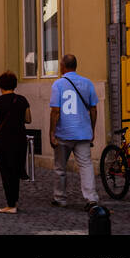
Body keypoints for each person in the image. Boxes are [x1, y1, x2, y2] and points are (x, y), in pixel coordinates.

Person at [49, 52, 99, 208]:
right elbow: (93, 109)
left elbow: (55, 110)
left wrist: (52, 132)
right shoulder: (88, 83)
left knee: (60, 167)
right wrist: (92, 129)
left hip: (64, 132)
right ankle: (91, 198)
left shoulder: (58, 84)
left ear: (63, 67)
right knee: (86, 165)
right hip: (83, 132)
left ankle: (60, 198)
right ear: (75, 66)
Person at [0, 71, 31, 214]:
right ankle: (14, 201)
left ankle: (11, 204)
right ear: (14, 85)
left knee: (6, 172)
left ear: (0, 85)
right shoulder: (22, 100)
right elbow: (28, 119)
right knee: (16, 170)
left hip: (4, 141)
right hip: (19, 139)